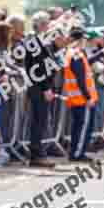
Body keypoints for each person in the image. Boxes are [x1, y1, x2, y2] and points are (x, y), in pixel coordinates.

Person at [23, 22, 65, 168]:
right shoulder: (35, 42)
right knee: (38, 121)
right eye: (46, 25)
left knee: (40, 121)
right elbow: (40, 67)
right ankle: (37, 155)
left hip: (40, 87)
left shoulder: (41, 42)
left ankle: (37, 153)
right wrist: (46, 88)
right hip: (38, 88)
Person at [63, 27, 100, 164]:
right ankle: (78, 153)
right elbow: (80, 78)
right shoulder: (76, 54)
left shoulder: (72, 53)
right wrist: (88, 97)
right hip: (81, 98)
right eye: (83, 39)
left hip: (78, 98)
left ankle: (77, 152)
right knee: (84, 126)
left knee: (79, 126)